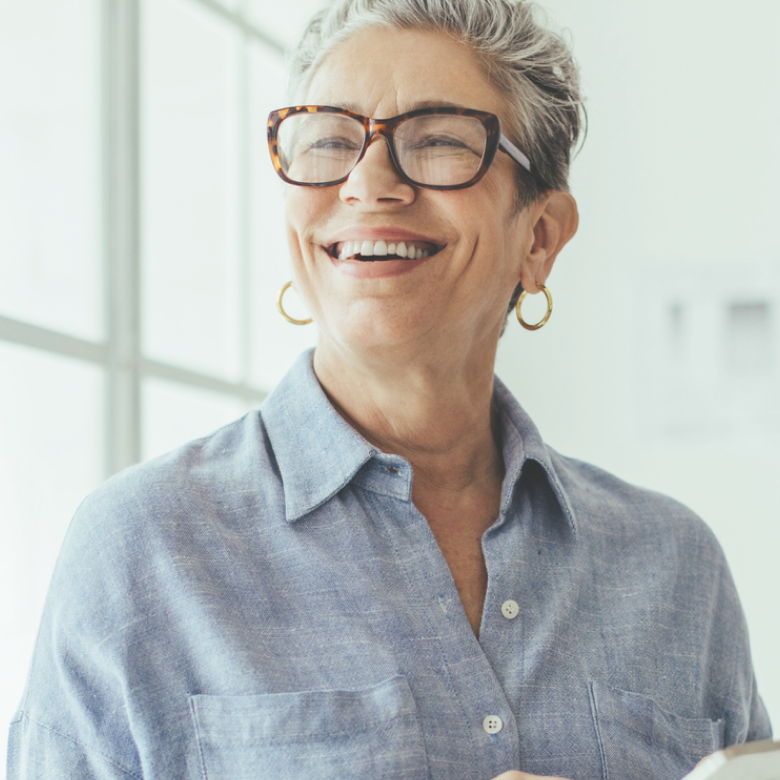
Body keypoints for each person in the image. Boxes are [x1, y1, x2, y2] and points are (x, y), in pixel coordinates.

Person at [7, 0, 771, 778]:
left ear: (539, 238)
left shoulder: (676, 566)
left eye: (439, 141)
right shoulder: (141, 551)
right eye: (331, 141)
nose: (369, 183)